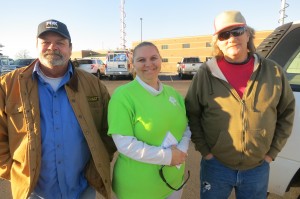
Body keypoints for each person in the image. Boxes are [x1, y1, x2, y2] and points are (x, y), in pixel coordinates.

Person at [0, 19, 116, 199]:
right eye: (45, 42)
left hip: (82, 189)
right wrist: (15, 171)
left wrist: (97, 164)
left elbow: (109, 130)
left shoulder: (93, 85)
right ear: (36, 46)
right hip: (33, 193)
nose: (52, 47)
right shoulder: (8, 85)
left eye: (60, 43)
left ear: (70, 48)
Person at [185, 10, 295, 199]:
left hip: (257, 168)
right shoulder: (205, 73)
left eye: (237, 31)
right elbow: (192, 113)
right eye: (224, 35)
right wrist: (205, 151)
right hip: (216, 166)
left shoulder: (272, 71)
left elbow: (287, 113)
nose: (231, 38)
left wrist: (271, 153)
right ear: (217, 42)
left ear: (248, 33)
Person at [108, 41, 191, 199]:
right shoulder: (123, 96)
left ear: (160, 60)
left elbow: (186, 127)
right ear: (133, 64)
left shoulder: (173, 93)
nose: (148, 64)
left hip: (174, 182)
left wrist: (182, 151)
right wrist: (168, 157)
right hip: (138, 188)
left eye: (153, 58)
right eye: (141, 60)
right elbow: (125, 144)